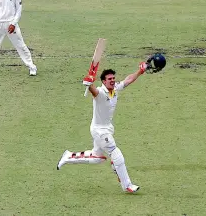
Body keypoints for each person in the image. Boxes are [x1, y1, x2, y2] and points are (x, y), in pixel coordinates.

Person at [56, 63, 150, 193]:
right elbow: (93, 91)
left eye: (113, 78)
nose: (112, 81)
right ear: (103, 81)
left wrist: (140, 71)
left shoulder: (115, 89)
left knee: (96, 158)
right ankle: (127, 185)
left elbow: (128, 80)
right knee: (116, 155)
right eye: (109, 79)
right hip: (99, 131)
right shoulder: (100, 93)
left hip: (107, 129)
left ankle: (68, 156)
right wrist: (89, 84)